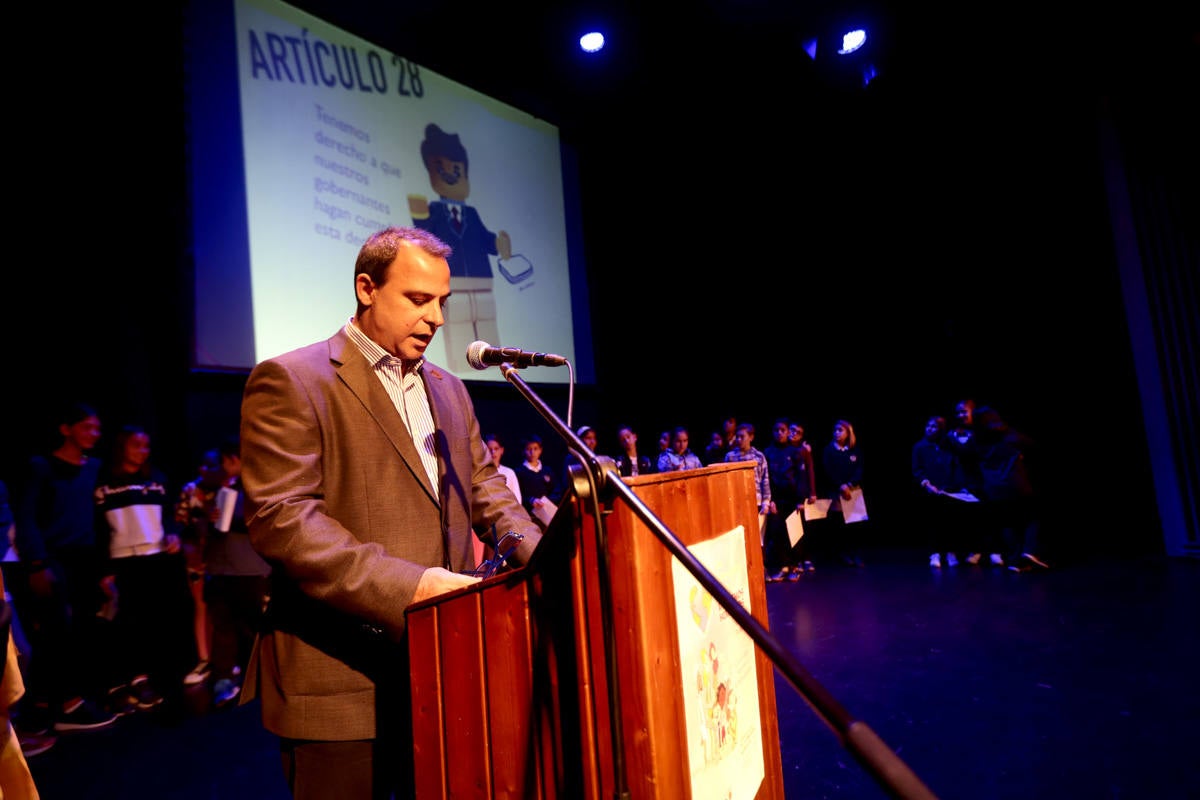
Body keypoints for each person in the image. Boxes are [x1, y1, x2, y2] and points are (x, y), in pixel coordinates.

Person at [238, 225, 543, 799]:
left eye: (443, 303)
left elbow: (484, 488)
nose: (436, 319)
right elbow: (284, 522)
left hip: (443, 668)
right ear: (366, 288)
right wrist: (414, 586)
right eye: (418, 299)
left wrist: (542, 553)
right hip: (342, 679)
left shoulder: (451, 389)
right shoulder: (293, 380)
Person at [10, 402, 118, 734]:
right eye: (87, 427)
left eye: (97, 428)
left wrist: (104, 567)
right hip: (53, 556)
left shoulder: (95, 467)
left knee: (84, 626)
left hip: (85, 556)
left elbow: (100, 518)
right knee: (57, 629)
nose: (94, 434)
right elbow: (27, 517)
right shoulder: (41, 467)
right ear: (65, 429)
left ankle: (75, 696)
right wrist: (37, 564)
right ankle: (61, 704)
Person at [94, 424, 197, 719]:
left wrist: (174, 534)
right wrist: (104, 569)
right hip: (124, 561)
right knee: (131, 622)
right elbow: (98, 528)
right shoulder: (104, 482)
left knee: (162, 621)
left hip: (158, 558)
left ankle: (166, 681)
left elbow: (169, 517)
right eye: (136, 445)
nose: (143, 452)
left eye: (146, 446)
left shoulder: (157, 479)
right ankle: (135, 679)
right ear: (122, 447)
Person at [201, 435, 270, 709]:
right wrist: (210, 516)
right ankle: (223, 682)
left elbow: (263, 523)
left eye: (225, 462)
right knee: (224, 629)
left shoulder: (259, 485)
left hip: (250, 570)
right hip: (221, 569)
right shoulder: (214, 488)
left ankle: (263, 683)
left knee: (254, 630)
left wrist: (234, 521)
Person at [969, 407, 1048, 573]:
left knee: (1008, 523)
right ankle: (1030, 551)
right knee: (1033, 517)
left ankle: (1015, 560)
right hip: (1015, 485)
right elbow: (1032, 444)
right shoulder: (1008, 435)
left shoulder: (976, 440)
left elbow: (966, 455)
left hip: (993, 489)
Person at [172, 447, 223, 689]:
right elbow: (179, 524)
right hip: (197, 556)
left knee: (222, 607)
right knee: (201, 605)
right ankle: (205, 659)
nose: (211, 470)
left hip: (224, 556)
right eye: (208, 465)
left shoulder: (228, 489)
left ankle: (224, 659)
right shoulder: (190, 490)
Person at [947, 399, 1004, 566]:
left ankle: (995, 551)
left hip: (985, 481)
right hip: (965, 481)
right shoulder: (955, 433)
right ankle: (976, 550)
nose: (960, 415)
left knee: (990, 518)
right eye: (958, 412)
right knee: (971, 520)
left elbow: (972, 452)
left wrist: (954, 440)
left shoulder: (983, 432)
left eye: (964, 411)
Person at [911, 415, 970, 569]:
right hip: (930, 490)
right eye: (928, 426)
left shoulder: (949, 446)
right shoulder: (920, 446)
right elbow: (917, 470)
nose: (929, 429)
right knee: (934, 523)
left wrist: (957, 486)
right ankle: (935, 553)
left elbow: (956, 465)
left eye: (934, 427)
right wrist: (927, 484)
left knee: (950, 523)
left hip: (949, 490)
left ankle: (950, 553)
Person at [762, 418, 805, 581]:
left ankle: (795, 566)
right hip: (776, 500)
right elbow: (766, 478)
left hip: (793, 499)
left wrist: (801, 499)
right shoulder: (768, 452)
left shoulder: (795, 452)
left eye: (783, 430)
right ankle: (784, 565)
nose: (779, 433)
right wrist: (770, 499)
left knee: (793, 533)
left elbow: (801, 477)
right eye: (776, 430)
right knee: (777, 532)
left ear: (788, 432)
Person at [820, 419, 867, 567]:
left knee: (854, 526)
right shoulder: (829, 450)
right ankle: (842, 554)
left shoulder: (854, 450)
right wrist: (840, 485)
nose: (837, 433)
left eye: (840, 430)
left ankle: (855, 554)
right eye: (835, 430)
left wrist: (849, 484)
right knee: (839, 525)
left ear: (848, 433)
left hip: (853, 490)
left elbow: (859, 468)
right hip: (837, 492)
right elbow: (827, 470)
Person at [481, 433, 522, 565]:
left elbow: (517, 499)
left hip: (505, 522)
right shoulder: (480, 475)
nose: (493, 452)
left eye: (496, 448)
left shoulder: (508, 472)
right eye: (490, 448)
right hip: (487, 525)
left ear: (502, 450)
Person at [514, 434, 562, 529]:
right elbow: (516, 495)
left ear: (540, 450)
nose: (532, 452)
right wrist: (531, 500)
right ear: (524, 451)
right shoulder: (519, 472)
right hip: (529, 517)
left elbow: (557, 491)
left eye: (535, 449)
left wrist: (546, 501)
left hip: (547, 516)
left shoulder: (547, 470)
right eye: (529, 449)